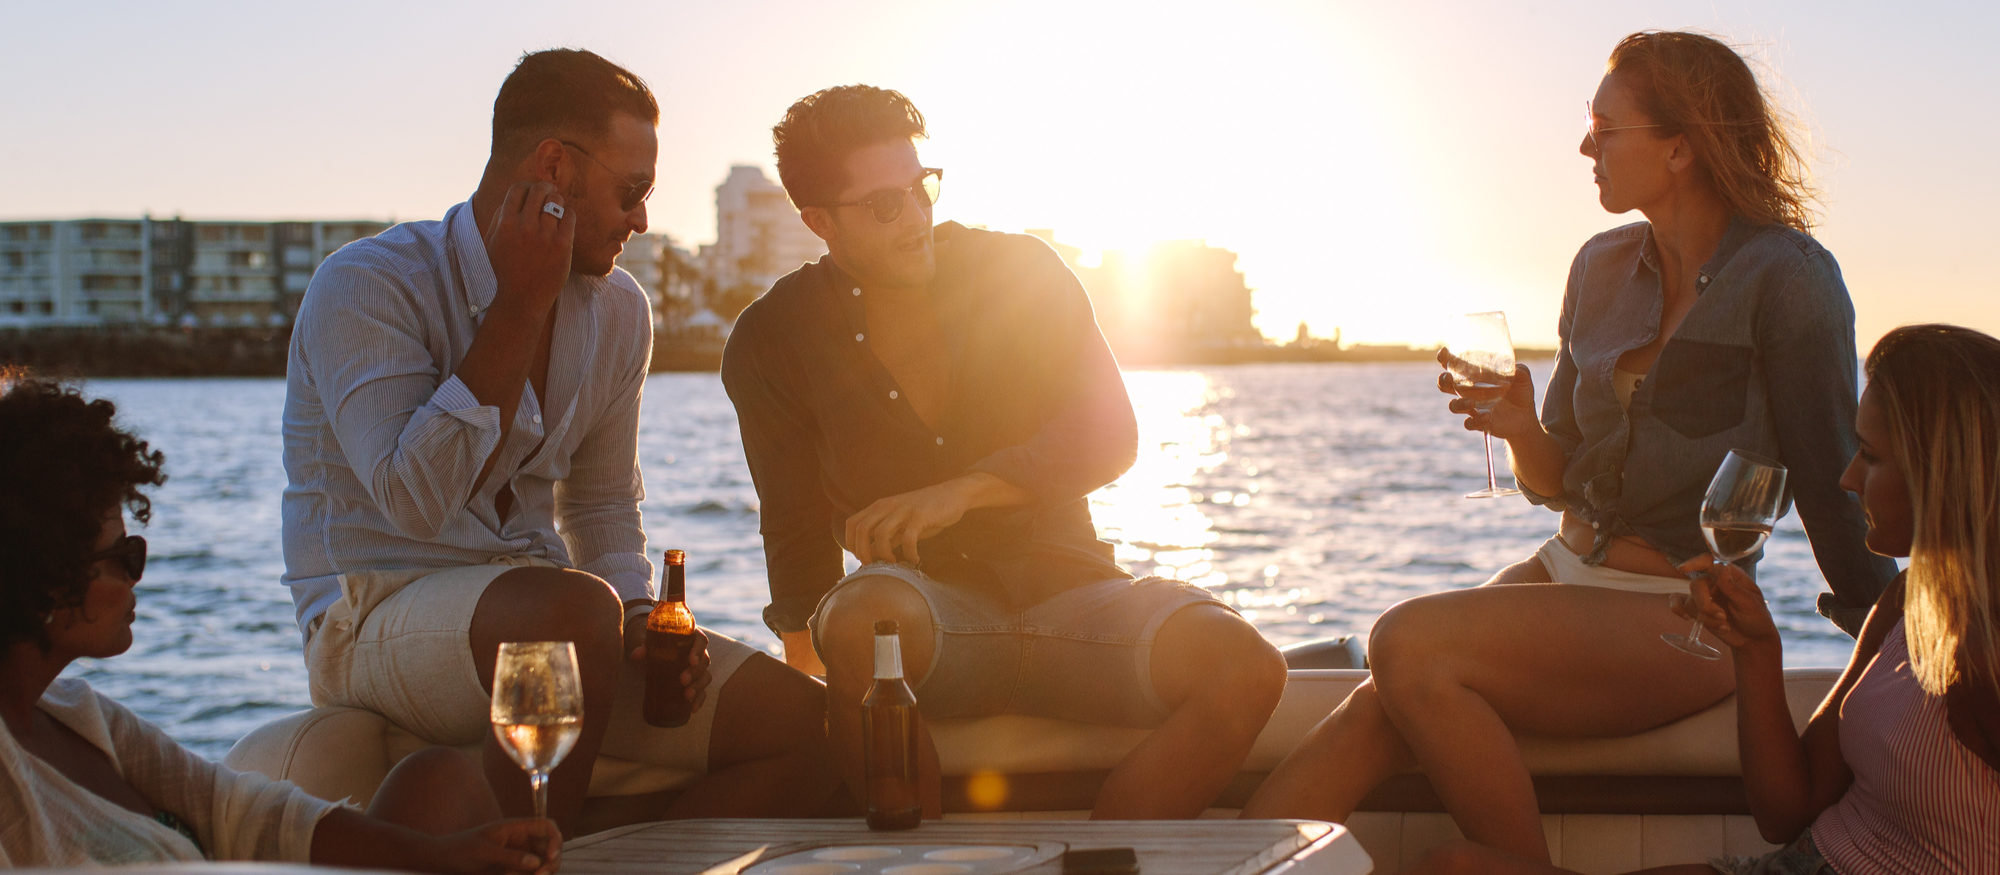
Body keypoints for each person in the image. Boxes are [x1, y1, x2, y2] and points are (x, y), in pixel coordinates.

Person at [1242, 30, 1896, 862]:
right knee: (1385, 697)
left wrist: (1905, 641)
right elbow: (1557, 482)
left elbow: (1836, 490)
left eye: (1604, 125)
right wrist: (1521, 425)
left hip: (1683, 614)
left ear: (1680, 146)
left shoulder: (1790, 279)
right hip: (1565, 568)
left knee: (1405, 641)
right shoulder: (1599, 267)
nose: (1585, 145)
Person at [282, 48, 835, 832]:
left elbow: (604, 506)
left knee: (813, 728)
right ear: (554, 169)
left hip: (562, 622)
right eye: (632, 190)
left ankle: (614, 857)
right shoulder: (368, 286)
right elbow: (412, 503)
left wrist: (643, 623)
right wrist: (519, 307)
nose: (643, 218)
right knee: (565, 614)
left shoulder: (619, 311)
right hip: (376, 612)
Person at [721, 84, 1287, 819]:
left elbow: (1111, 433)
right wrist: (814, 693)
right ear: (819, 221)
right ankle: (920, 869)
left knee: (1248, 668)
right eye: (885, 205)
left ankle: (1102, 866)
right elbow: (794, 534)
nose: (917, 216)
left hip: (1079, 593)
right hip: (924, 621)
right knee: (860, 616)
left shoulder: (1020, 270)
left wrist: (960, 490)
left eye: (922, 187)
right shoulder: (772, 338)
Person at [1408, 325, 2000, 873]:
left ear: (1944, 467)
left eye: (1870, 455)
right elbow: (1784, 815)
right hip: (1796, 863)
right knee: (1452, 868)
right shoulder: (1907, 600)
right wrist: (1756, 650)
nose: (1847, 478)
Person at [0, 376, 559, 871]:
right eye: (123, 558)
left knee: (437, 781)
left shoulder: (82, 719)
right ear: (46, 577)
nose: (137, 575)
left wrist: (441, 855)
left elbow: (239, 813)